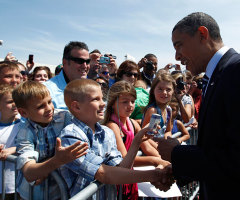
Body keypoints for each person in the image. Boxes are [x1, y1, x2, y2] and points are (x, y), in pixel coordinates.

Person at [154, 12, 240, 199]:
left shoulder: (235, 71)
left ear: (202, 34)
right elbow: (218, 146)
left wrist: (178, 154)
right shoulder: (219, 74)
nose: (177, 56)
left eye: (179, 45)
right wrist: (178, 167)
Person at [59, 79, 174, 198]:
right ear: (76, 106)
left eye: (102, 98)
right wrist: (154, 175)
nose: (103, 103)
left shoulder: (106, 133)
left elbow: (122, 168)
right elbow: (103, 173)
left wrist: (137, 140)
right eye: (96, 99)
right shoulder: (70, 136)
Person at [12, 81, 88, 200]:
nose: (49, 108)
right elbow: (29, 173)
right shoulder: (25, 133)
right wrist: (57, 161)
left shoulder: (64, 117)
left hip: (60, 193)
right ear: (23, 112)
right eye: (40, 106)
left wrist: (47, 166)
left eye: (49, 101)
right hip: (33, 195)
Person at [102, 81, 169, 199]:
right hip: (119, 184)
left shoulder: (132, 123)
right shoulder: (112, 126)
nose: (130, 105)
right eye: (125, 102)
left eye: (133, 101)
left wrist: (164, 161)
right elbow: (124, 160)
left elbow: (148, 147)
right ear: (112, 103)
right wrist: (154, 160)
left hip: (130, 180)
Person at [44, 41, 90, 109]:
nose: (85, 66)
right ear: (65, 62)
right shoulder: (46, 91)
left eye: (88, 61)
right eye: (79, 61)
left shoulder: (91, 89)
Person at [0, 84, 20, 200]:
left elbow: (28, 145)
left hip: (14, 184)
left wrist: (13, 150)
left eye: (16, 101)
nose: (14, 104)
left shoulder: (23, 124)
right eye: (9, 102)